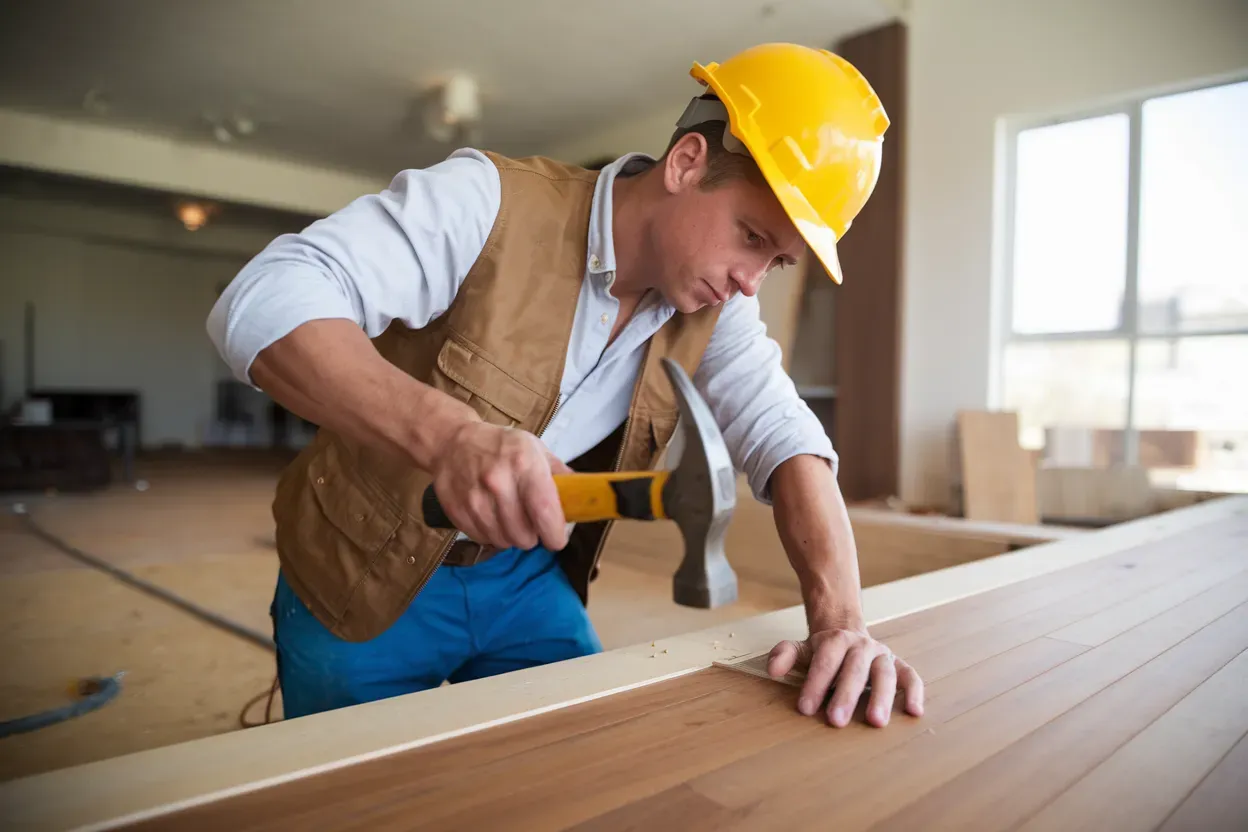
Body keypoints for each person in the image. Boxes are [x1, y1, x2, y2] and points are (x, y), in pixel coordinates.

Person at [207, 42, 925, 729]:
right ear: (686, 162)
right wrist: (452, 436)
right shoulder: (486, 202)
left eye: (777, 263)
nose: (750, 279)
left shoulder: (717, 304)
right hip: (351, 568)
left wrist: (843, 623)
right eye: (750, 236)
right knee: (349, 801)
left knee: (581, 768)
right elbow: (265, 298)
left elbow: (785, 436)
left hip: (523, 577)